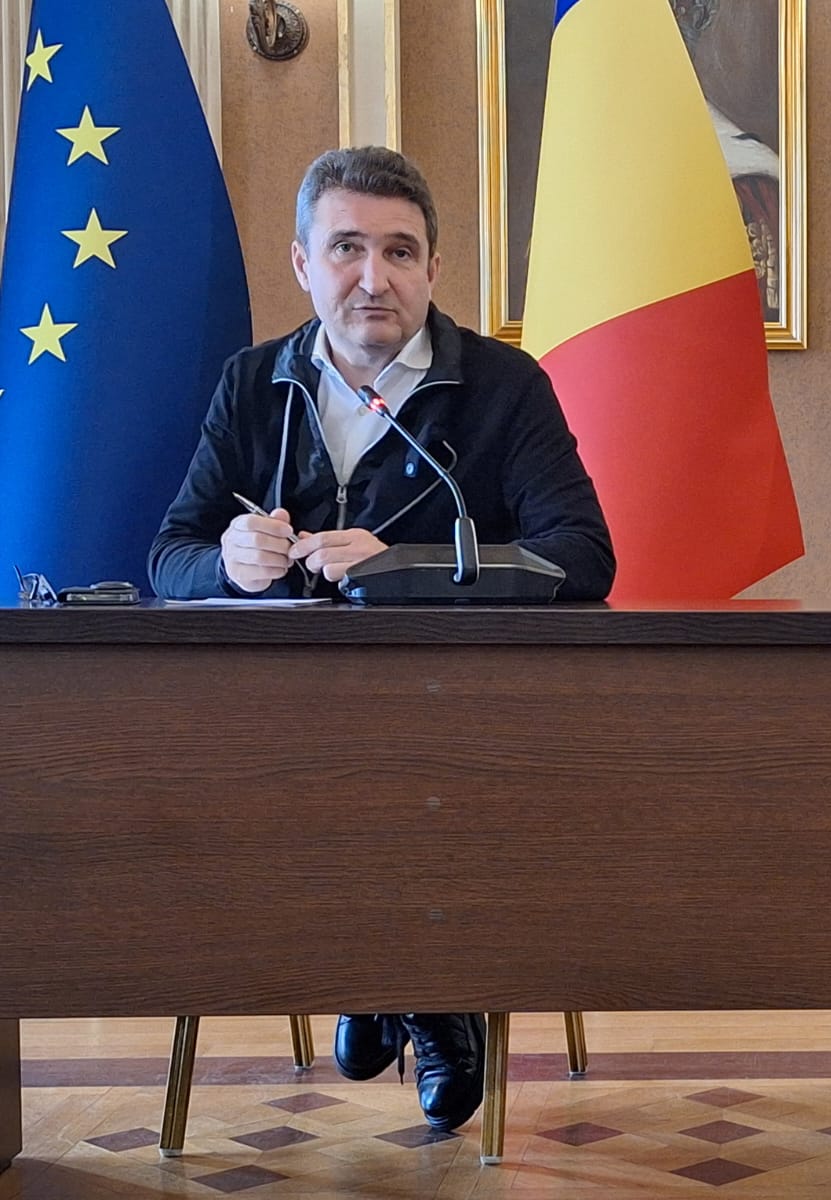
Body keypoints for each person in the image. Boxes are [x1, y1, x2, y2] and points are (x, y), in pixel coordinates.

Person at [150, 147, 616, 1131]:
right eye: (347, 249)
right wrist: (229, 561)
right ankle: (405, 989)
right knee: (293, 783)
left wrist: (408, 566)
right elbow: (169, 557)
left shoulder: (502, 386)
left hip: (462, 724)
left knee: (408, 782)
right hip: (283, 731)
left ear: (434, 269)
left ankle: (390, 985)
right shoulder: (254, 384)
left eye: (400, 252)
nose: (375, 277)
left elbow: (582, 555)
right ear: (302, 263)